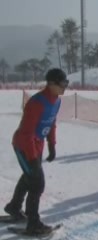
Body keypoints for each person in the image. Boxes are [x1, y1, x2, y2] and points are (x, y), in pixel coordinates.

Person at [4, 68, 68, 234]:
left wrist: (52, 144)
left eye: (66, 83)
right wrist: (32, 157)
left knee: (30, 177)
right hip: (24, 145)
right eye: (62, 83)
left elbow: (51, 123)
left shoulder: (57, 101)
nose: (65, 86)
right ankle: (33, 223)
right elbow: (26, 134)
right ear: (51, 83)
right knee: (37, 183)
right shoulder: (36, 102)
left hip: (36, 145)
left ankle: (14, 208)